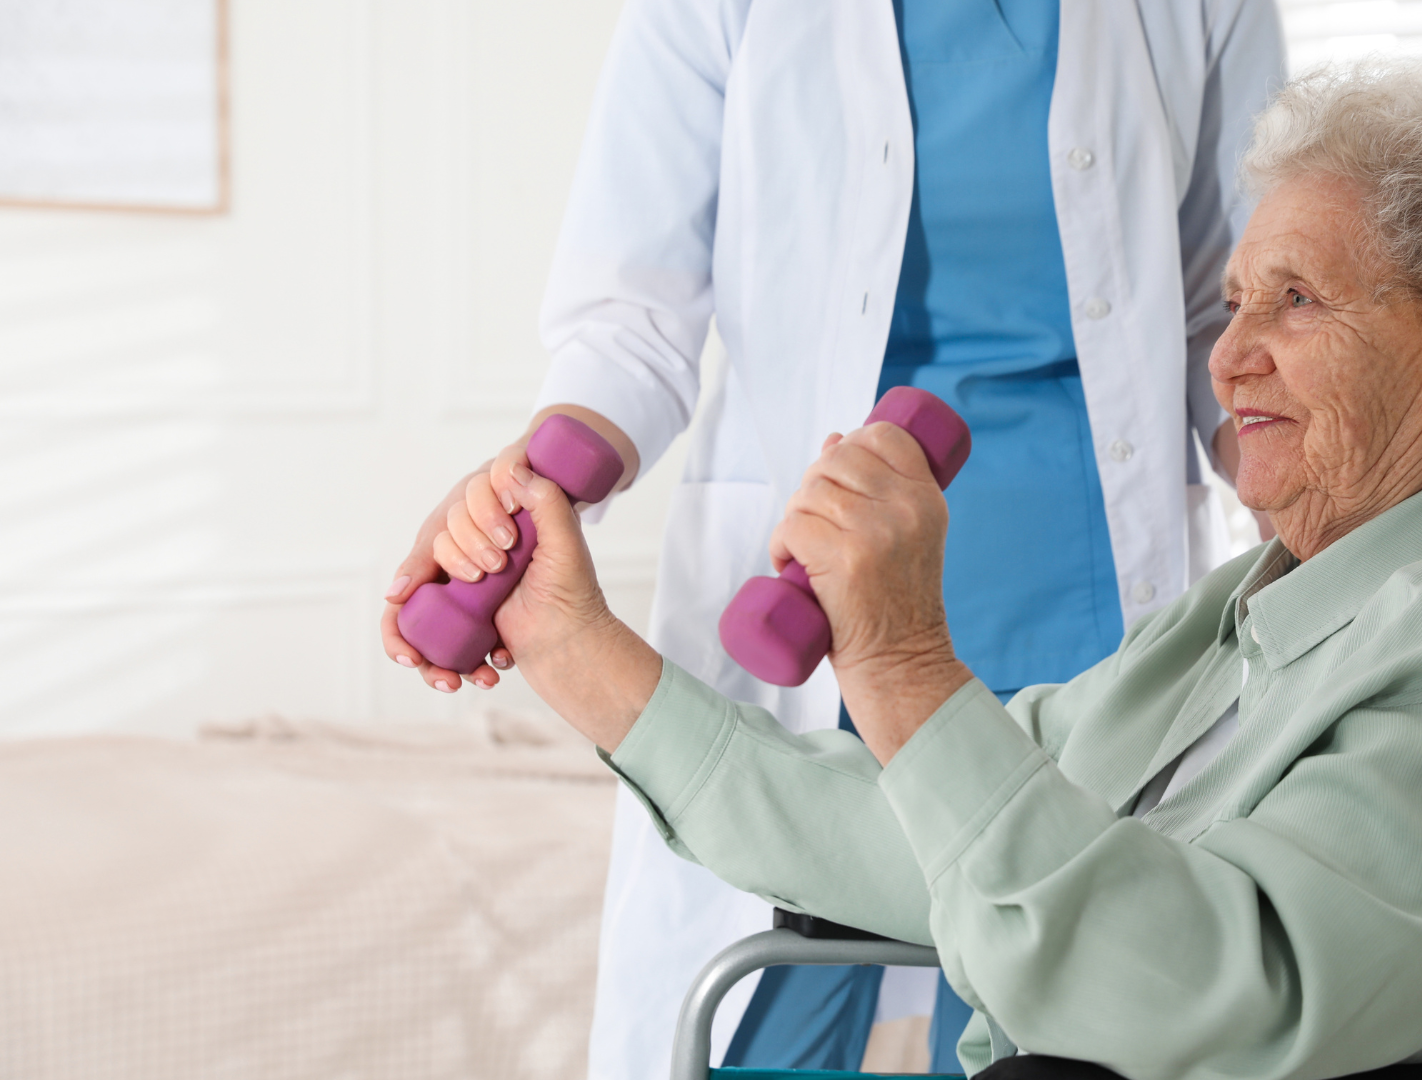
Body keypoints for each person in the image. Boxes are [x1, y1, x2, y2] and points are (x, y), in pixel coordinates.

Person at [456, 58, 1422, 1080]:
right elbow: (933, 839)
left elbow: (1183, 1007)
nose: (1228, 358)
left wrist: (896, 661)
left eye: (1298, 301)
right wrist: (573, 645)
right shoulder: (1267, 611)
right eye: (1233, 302)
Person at [380, 0, 1285, 1074]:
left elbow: (1226, 320)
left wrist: (1339, 503)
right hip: (810, 601)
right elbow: (633, 321)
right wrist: (530, 490)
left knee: (1046, 1015)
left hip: (1084, 606)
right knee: (769, 1010)